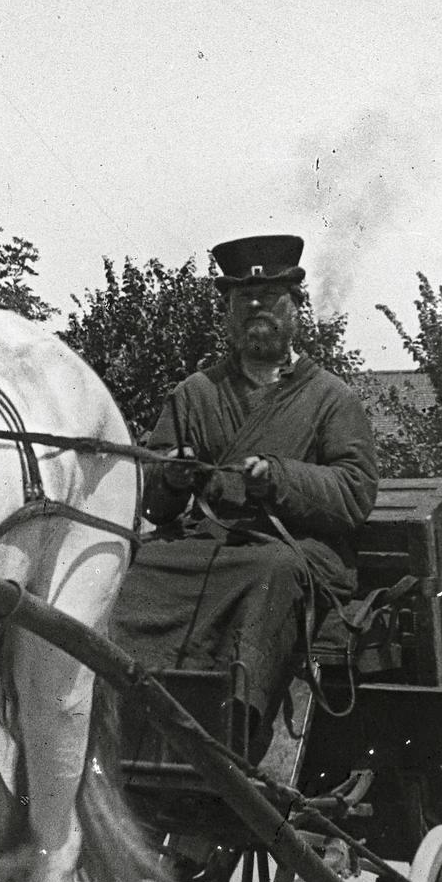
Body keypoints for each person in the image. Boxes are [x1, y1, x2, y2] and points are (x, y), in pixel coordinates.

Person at [110, 233, 379, 763]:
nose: (258, 311)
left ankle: (231, 737)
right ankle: (125, 713)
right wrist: (173, 476)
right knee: (135, 565)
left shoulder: (331, 398)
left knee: (267, 572)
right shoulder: (195, 394)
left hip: (297, 552)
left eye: (272, 300)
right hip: (208, 544)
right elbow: (153, 506)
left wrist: (276, 477)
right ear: (228, 315)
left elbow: (354, 494)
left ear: (296, 309)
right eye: (243, 302)